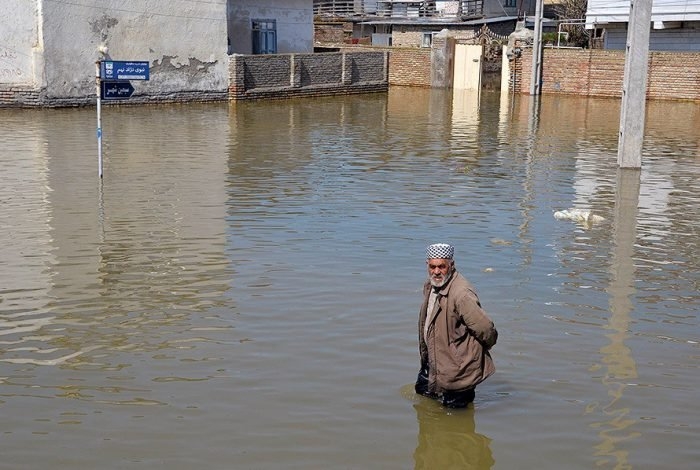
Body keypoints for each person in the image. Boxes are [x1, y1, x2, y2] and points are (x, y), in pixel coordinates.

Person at [415, 243, 498, 408]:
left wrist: (468, 355)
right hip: (433, 362)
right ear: (427, 265)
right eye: (432, 267)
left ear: (451, 265)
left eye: (441, 267)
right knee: (422, 399)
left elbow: (486, 330)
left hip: (459, 371)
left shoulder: (461, 294)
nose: (436, 272)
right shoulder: (431, 285)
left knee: (456, 419)